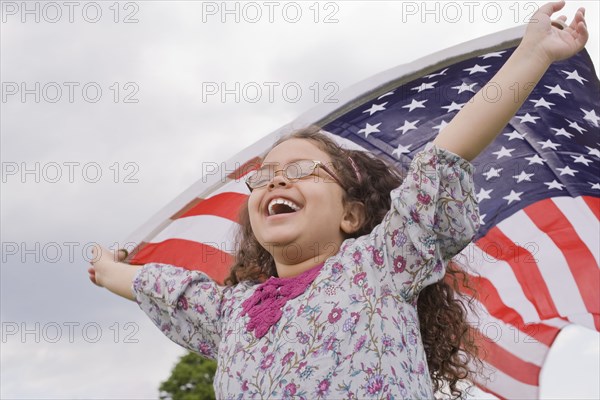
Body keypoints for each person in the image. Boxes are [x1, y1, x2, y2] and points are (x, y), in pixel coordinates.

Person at [88, 2, 588, 398]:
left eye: (303, 171)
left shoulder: (382, 264)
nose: (276, 182)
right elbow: (164, 288)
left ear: (351, 214)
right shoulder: (231, 313)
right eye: (264, 177)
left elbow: (447, 153)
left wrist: (534, 54)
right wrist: (108, 270)